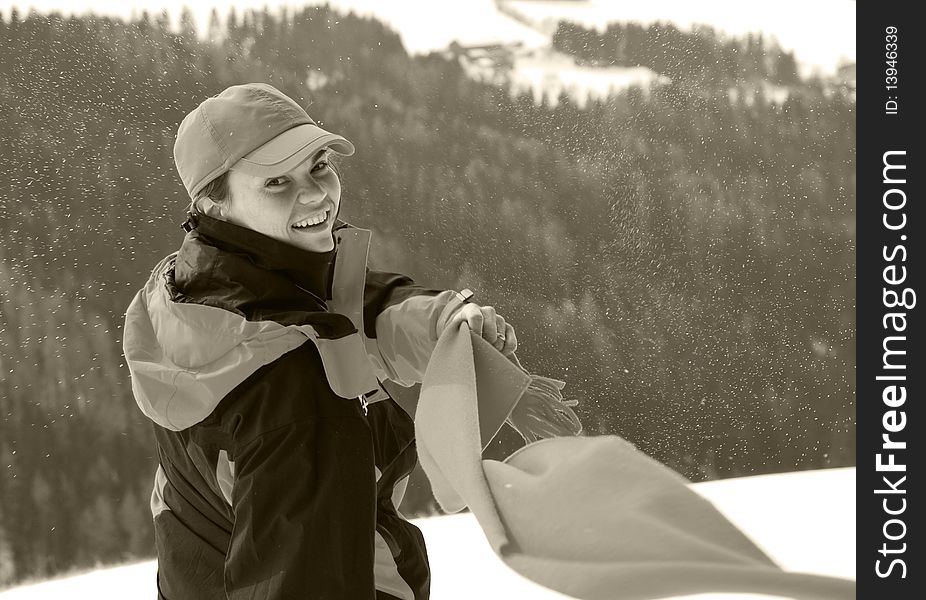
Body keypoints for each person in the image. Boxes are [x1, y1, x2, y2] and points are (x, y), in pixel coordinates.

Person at [122, 82, 558, 600]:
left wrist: (443, 323)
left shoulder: (196, 290)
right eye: (277, 181)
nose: (314, 194)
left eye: (319, 166)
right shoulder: (297, 397)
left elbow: (351, 306)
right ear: (214, 203)